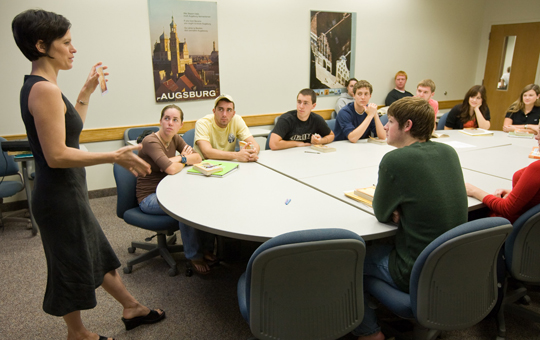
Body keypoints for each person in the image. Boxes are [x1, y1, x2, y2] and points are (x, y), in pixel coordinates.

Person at [12, 9, 164, 340]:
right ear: (42, 45)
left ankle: (132, 307)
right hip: (59, 197)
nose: (73, 49)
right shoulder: (44, 90)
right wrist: (114, 155)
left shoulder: (44, 87)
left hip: (68, 193)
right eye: (66, 42)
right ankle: (77, 333)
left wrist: (85, 93)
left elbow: (69, 136)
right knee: (69, 267)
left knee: (98, 253)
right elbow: (56, 155)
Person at [352, 97, 468, 340]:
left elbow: (382, 212)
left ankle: (370, 333)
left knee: (349, 263)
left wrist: (396, 206)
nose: (384, 126)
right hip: (454, 266)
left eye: (390, 121)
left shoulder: (395, 160)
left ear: (407, 126)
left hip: (414, 269)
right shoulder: (448, 152)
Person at [136, 105, 219, 275]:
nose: (170, 123)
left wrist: (177, 158)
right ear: (160, 121)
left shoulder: (175, 138)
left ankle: (206, 249)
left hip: (169, 190)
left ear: (181, 125)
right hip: (149, 197)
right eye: (166, 118)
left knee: (204, 201)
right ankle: (193, 256)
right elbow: (171, 170)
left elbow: (197, 158)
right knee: (185, 208)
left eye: (175, 120)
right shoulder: (151, 141)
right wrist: (182, 160)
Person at [465, 133, 540, 224]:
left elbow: (506, 208)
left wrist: (474, 190)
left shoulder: (537, 168)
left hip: (503, 226)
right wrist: (517, 193)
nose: (536, 137)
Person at [194, 94, 260, 161]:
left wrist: (253, 154)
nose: (224, 114)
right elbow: (207, 153)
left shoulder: (237, 120)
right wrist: (237, 155)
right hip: (205, 165)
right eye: (220, 109)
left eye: (228, 110)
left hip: (229, 164)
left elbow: (255, 144)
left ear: (233, 114)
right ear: (214, 111)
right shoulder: (203, 123)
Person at [269, 88, 334, 150]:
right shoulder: (286, 119)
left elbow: (331, 135)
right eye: (299, 102)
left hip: (305, 154)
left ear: (313, 106)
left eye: (305, 103)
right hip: (285, 154)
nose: (301, 106)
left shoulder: (316, 119)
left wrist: (320, 141)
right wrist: (297, 144)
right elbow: (273, 144)